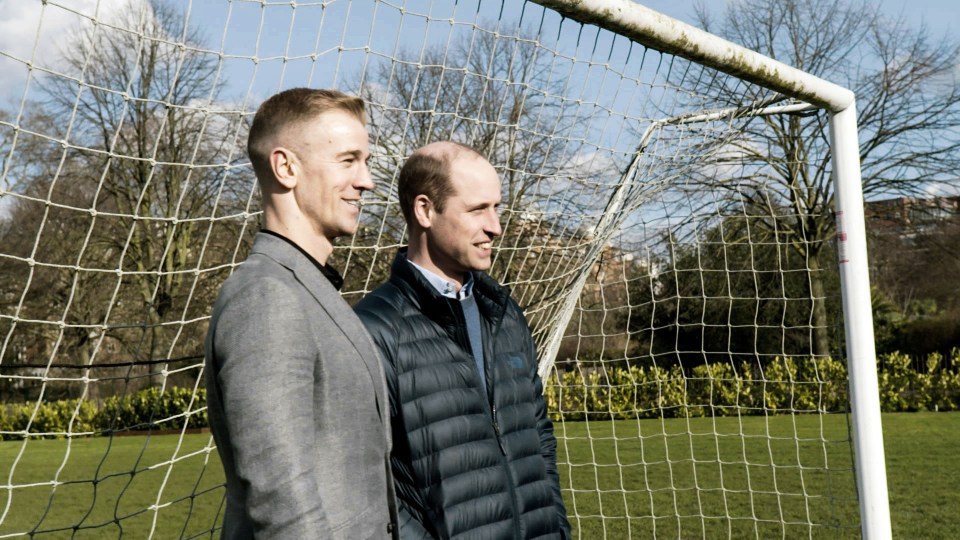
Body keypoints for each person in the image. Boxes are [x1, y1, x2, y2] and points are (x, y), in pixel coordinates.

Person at [205, 88, 397, 539]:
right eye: (348, 160)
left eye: (365, 162)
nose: (367, 180)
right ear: (286, 167)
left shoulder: (308, 288)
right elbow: (282, 501)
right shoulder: (266, 298)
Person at [354, 141, 571, 539]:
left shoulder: (504, 313)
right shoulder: (372, 330)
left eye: (496, 208)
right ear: (424, 210)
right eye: (477, 210)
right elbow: (368, 484)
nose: (495, 226)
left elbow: (538, 436)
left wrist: (556, 529)